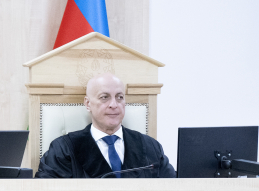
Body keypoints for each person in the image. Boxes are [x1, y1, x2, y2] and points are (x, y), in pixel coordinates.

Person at [36, 72, 176, 179]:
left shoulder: (150, 147)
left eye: (119, 97)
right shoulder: (64, 149)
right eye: (105, 97)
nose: (114, 105)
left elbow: (174, 190)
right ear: (88, 103)